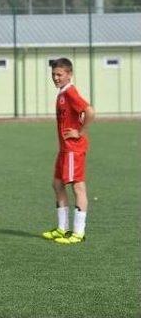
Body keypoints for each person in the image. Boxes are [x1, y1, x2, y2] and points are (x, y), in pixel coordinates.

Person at [42, 58, 95, 245]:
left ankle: (78, 233)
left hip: (73, 149)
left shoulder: (71, 92)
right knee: (57, 184)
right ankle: (62, 229)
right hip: (64, 149)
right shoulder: (62, 93)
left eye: (59, 74)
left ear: (69, 74)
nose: (55, 78)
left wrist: (80, 132)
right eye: (53, 74)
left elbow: (89, 111)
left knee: (78, 187)